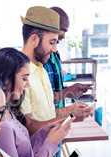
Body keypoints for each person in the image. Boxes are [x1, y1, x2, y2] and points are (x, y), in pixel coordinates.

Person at [0, 47, 73, 157]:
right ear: (6, 78)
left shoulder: (9, 111)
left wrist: (43, 133)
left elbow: (25, 154)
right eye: (24, 78)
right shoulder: (2, 126)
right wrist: (50, 144)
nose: (27, 85)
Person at [20, 6, 92, 134]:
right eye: (52, 42)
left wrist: (71, 110)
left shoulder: (40, 68)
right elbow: (28, 127)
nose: (54, 50)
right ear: (34, 39)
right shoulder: (20, 74)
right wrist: (68, 115)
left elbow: (50, 113)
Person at [44, 7, 92, 157]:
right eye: (62, 30)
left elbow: (53, 92)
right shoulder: (39, 61)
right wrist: (67, 98)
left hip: (58, 124)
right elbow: (42, 100)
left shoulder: (55, 55)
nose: (64, 36)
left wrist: (70, 91)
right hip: (45, 129)